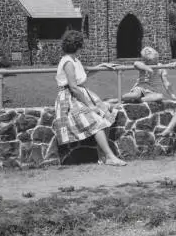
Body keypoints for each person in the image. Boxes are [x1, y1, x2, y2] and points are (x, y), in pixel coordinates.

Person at [53, 30, 127, 166]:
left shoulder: (75, 60)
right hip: (71, 97)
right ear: (78, 45)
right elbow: (73, 87)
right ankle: (109, 156)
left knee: (105, 116)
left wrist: (103, 65)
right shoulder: (67, 61)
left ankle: (103, 156)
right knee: (96, 121)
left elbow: (85, 73)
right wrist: (90, 105)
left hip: (81, 94)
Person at [104, 46, 176, 104]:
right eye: (149, 61)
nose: (153, 63)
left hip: (151, 91)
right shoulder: (143, 65)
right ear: (145, 60)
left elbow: (166, 83)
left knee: (160, 96)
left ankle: (139, 100)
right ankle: (117, 99)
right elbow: (136, 63)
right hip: (141, 87)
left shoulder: (161, 67)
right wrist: (147, 68)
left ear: (157, 56)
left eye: (154, 60)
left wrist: (173, 95)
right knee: (135, 94)